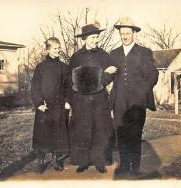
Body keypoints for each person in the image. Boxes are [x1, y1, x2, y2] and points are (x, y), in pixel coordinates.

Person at [109, 17, 159, 176]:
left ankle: (136, 167)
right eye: (122, 33)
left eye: (128, 33)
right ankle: (124, 165)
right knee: (121, 133)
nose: (125, 36)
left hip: (136, 103)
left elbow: (153, 74)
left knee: (135, 133)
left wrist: (143, 90)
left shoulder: (144, 52)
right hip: (119, 102)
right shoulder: (114, 53)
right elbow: (109, 76)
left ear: (134, 34)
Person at [67, 23, 117, 173]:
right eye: (93, 37)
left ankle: (99, 161)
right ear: (85, 39)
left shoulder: (103, 55)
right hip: (81, 100)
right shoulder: (76, 57)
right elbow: (70, 79)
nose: (96, 40)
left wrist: (104, 79)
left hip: (99, 99)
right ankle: (83, 161)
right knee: (83, 130)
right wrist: (72, 99)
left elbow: (111, 73)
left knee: (99, 130)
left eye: (97, 37)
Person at [31, 37, 70, 173]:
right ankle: (40, 161)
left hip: (59, 107)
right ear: (48, 50)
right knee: (42, 134)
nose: (58, 50)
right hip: (44, 107)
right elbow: (35, 87)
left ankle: (55, 159)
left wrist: (67, 101)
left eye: (59, 48)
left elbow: (68, 87)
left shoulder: (64, 67)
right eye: (55, 48)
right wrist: (39, 103)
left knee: (57, 134)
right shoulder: (40, 67)